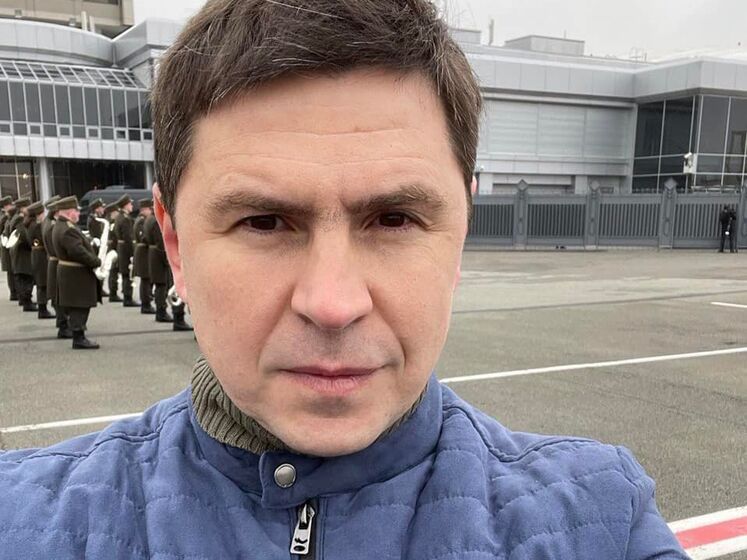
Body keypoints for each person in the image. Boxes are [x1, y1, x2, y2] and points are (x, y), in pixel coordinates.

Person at [0, 1, 688, 558]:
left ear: (459, 234)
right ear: (175, 244)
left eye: (394, 219)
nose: (332, 304)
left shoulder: (603, 520)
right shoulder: (21, 520)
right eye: (264, 222)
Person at [51, 196, 101, 350]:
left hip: (72, 272)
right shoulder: (67, 229)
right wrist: (95, 261)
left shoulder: (62, 226)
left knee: (77, 304)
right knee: (79, 305)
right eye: (76, 211)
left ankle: (78, 335)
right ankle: (79, 338)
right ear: (69, 212)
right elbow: (77, 251)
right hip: (75, 274)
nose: (78, 214)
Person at [143, 204, 193, 331]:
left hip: (161, 255)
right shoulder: (167, 219)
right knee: (171, 287)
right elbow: (162, 241)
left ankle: (173, 315)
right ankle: (177, 318)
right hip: (170, 256)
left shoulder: (150, 219)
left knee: (168, 286)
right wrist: (168, 260)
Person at [42, 196, 69, 337]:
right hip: (56, 262)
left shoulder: (48, 223)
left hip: (53, 262)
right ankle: (63, 326)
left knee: (58, 296)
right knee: (59, 297)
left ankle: (62, 324)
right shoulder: (52, 226)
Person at [27, 201, 55, 318]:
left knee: (41, 282)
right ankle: (42, 309)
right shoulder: (37, 226)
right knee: (42, 283)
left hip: (36, 255)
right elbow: (42, 240)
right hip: (41, 256)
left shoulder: (30, 225)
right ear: (39, 214)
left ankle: (42, 308)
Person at [9, 199, 37, 312]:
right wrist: (32, 243)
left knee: (23, 278)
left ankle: (25, 300)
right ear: (22, 208)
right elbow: (24, 235)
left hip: (19, 252)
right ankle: (27, 302)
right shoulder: (20, 219)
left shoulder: (16, 218)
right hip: (22, 253)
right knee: (25, 277)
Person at [114, 194, 139, 307]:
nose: (132, 206)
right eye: (130, 204)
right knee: (128, 273)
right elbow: (128, 237)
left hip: (121, 248)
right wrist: (132, 253)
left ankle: (126, 296)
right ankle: (128, 298)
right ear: (125, 206)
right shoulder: (125, 219)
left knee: (125, 273)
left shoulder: (119, 217)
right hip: (125, 249)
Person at [133, 198, 156, 314]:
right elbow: (143, 237)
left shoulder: (142, 220)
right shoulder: (141, 221)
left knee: (146, 280)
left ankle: (146, 302)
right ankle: (145, 304)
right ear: (144, 209)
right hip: (143, 253)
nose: (151, 211)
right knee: (145, 280)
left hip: (143, 252)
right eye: (149, 209)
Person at [103, 202, 121, 302]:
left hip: (111, 249)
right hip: (113, 249)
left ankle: (112, 292)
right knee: (113, 272)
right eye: (116, 212)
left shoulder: (109, 223)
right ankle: (113, 293)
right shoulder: (112, 224)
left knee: (113, 272)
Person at [0, 195, 17, 301]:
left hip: (8, 245)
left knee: (12, 270)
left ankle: (14, 291)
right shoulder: (4, 218)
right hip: (7, 246)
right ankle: (13, 292)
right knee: (11, 270)